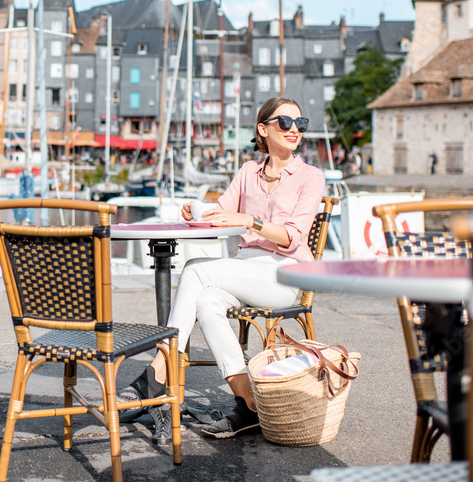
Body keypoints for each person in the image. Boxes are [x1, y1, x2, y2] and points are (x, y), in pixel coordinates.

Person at [117, 97, 325, 440]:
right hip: (245, 270)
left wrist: (250, 221)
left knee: (196, 269)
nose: (294, 130)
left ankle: (156, 374)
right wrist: (197, 211)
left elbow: (291, 236)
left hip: (285, 272)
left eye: (300, 124)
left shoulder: (309, 177)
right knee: (207, 301)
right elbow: (221, 212)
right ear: (263, 129)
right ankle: (248, 404)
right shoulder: (247, 172)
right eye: (285, 123)